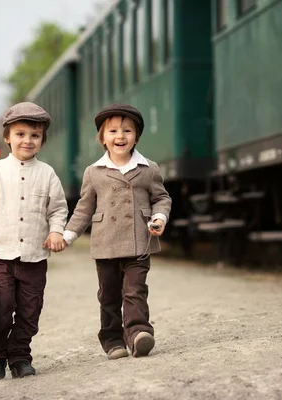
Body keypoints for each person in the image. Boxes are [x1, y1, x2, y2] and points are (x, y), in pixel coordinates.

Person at [63, 104, 172, 360]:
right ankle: (112, 340)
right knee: (109, 295)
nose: (120, 136)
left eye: (127, 131)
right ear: (102, 138)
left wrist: (159, 217)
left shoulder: (149, 169)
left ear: (136, 136)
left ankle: (138, 334)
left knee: (135, 290)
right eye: (112, 131)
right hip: (106, 243)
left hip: (140, 241)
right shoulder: (93, 172)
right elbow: (84, 208)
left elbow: (162, 198)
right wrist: (68, 235)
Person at [0, 102, 68, 380]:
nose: (27, 140)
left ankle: (20, 357)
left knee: (29, 312)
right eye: (20, 134)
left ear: (42, 140)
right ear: (7, 137)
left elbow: (58, 208)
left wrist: (56, 230)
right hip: (1, 256)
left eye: (34, 135)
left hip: (35, 258)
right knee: (1, 309)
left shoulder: (47, 174)